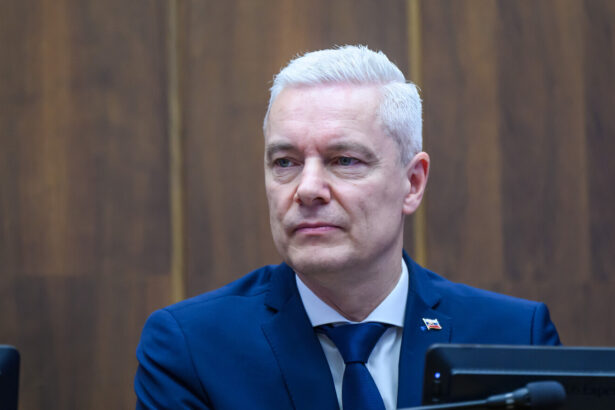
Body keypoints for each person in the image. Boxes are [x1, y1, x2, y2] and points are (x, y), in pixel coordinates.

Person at [134, 45, 560, 410]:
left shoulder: (515, 339)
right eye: (285, 162)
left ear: (412, 183)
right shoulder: (191, 348)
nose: (308, 189)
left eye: (344, 161)